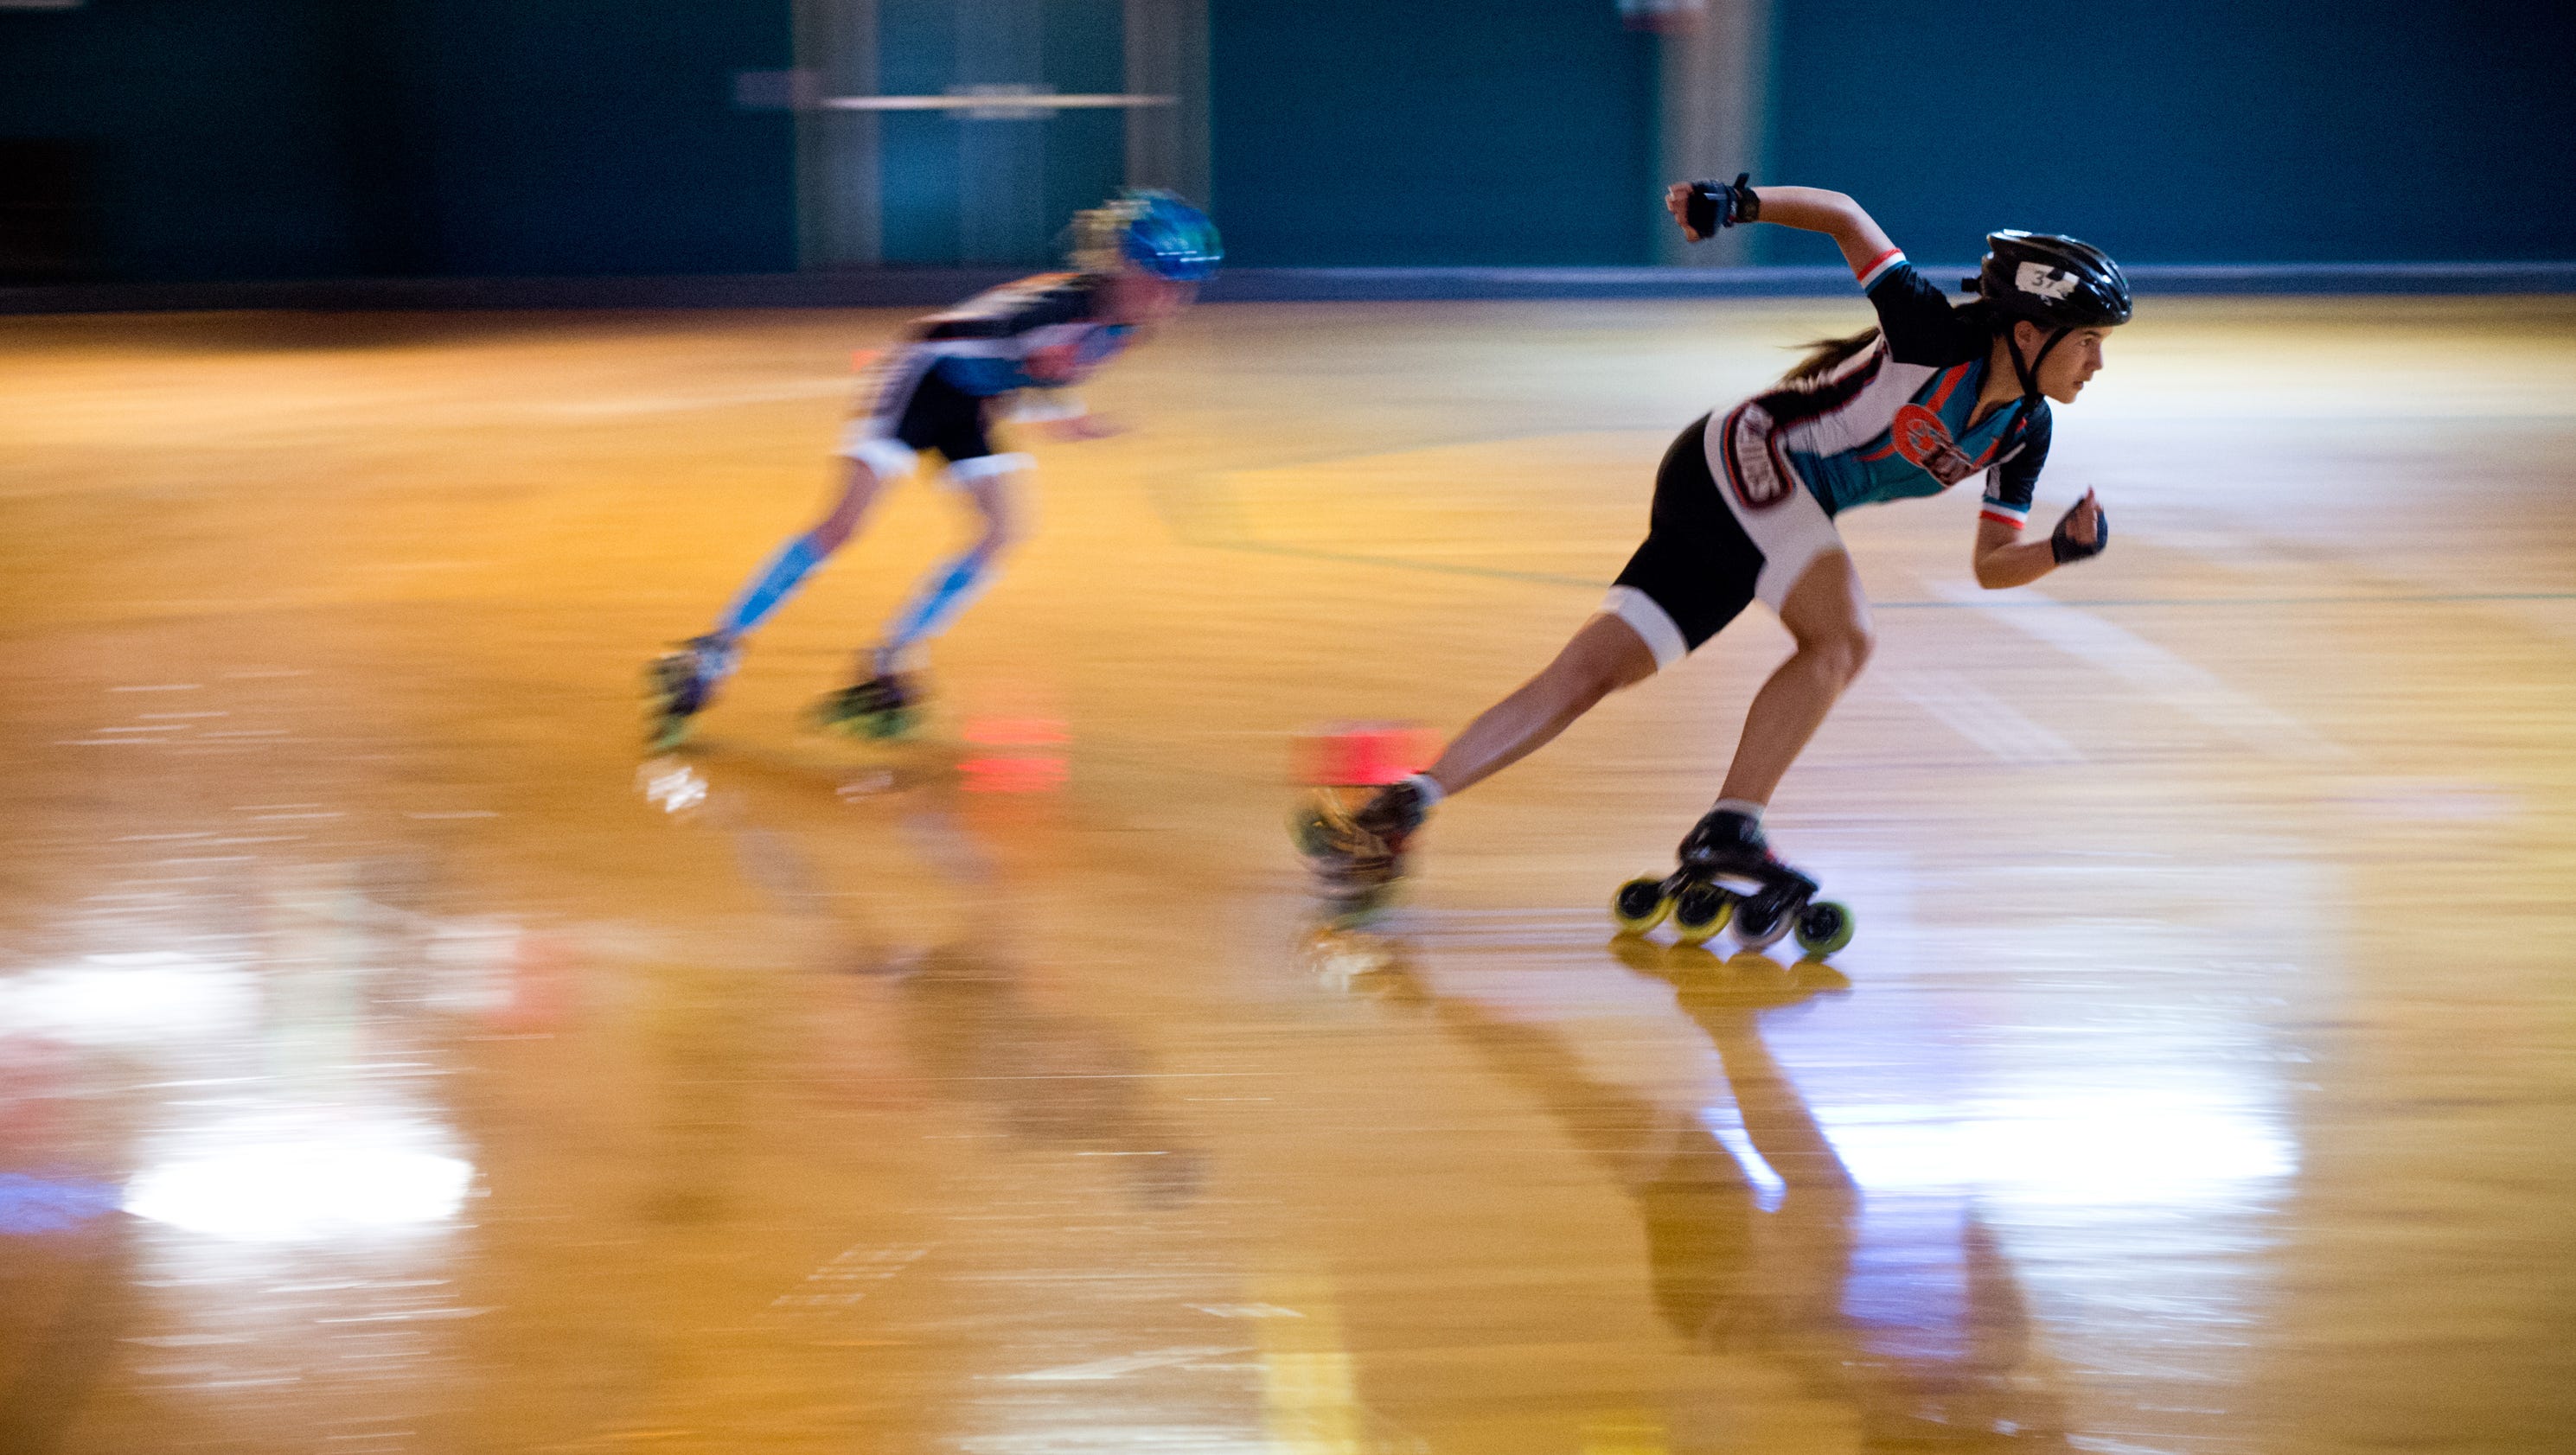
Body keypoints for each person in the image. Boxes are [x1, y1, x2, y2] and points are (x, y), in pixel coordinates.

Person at [1296, 175, 2127, 930]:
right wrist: (1733, 203)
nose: (2096, 362)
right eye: (2086, 340)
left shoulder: (2023, 429)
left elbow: (1991, 563)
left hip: (1737, 501)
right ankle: (1731, 827)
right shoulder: (1931, 336)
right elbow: (1844, 216)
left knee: (1587, 675)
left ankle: (1403, 803)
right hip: (1742, 460)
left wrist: (2058, 548)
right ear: (2027, 330)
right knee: (1843, 637)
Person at [643, 190, 1221, 749]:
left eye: (1182, 290)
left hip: (969, 403)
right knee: (842, 524)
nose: (1170, 302)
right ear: (1121, 266)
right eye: (1160, 283)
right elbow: (949, 332)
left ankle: (888, 660)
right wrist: (1029, 365)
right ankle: (713, 648)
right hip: (921, 378)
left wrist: (1066, 412)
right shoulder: (1058, 304)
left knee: (1003, 531)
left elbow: (1052, 370)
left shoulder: (1125, 329)